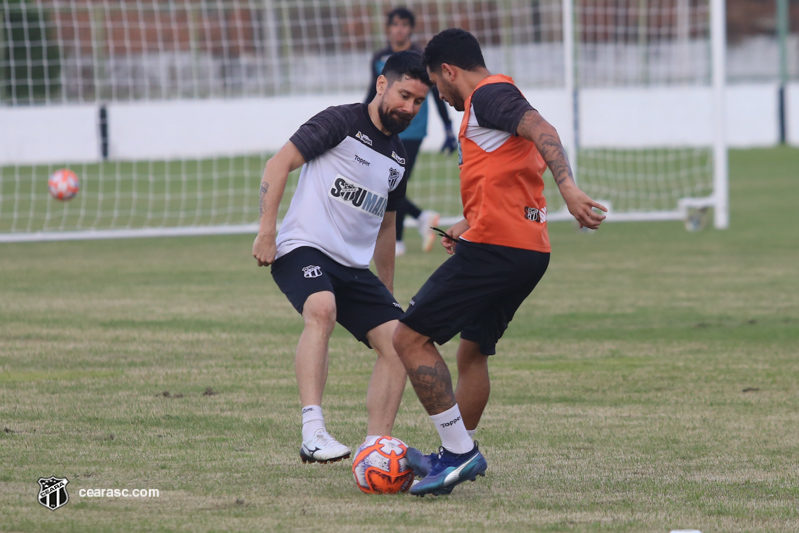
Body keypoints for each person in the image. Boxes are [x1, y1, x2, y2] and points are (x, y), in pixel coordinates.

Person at [392, 29, 608, 496]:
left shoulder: (489, 95)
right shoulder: (490, 104)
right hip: (525, 249)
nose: (440, 98)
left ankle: (460, 452)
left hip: (498, 252)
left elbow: (543, 130)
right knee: (471, 352)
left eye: (437, 85)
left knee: (408, 337)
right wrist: (470, 225)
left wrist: (568, 187)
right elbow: (511, 176)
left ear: (448, 71)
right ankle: (453, 455)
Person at [252, 51, 431, 464]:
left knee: (401, 342)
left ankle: (376, 449)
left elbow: (388, 226)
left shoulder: (399, 157)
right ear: (382, 84)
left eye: (419, 102)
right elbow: (278, 165)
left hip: (353, 267)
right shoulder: (340, 121)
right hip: (302, 247)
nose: (409, 108)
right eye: (404, 95)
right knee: (322, 307)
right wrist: (267, 231)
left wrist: (385, 288)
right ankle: (313, 432)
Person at [365, 7, 457, 256]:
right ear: (388, 28)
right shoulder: (380, 58)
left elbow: (436, 95)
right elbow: (373, 93)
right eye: (395, 25)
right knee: (382, 182)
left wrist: (449, 129)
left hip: (413, 131)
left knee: (392, 181)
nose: (399, 29)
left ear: (410, 28)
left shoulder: (421, 58)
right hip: (386, 128)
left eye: (404, 25)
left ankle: (398, 240)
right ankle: (420, 217)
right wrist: (362, 119)